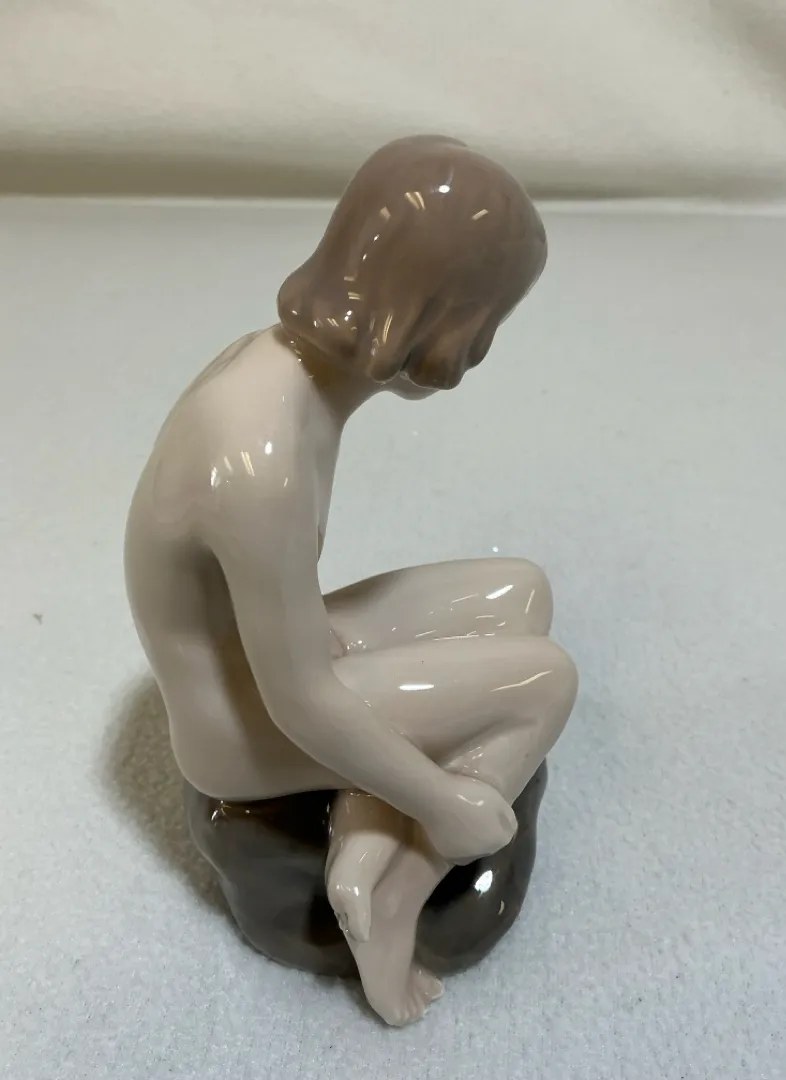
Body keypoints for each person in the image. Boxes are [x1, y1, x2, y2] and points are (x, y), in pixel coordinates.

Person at [124, 135, 578, 1026]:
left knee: (521, 591)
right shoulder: (260, 461)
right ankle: (396, 894)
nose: (479, 352)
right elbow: (298, 699)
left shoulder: (278, 368)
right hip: (241, 726)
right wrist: (445, 802)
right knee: (545, 682)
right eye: (484, 322)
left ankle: (366, 843)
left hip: (281, 658)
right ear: (440, 313)